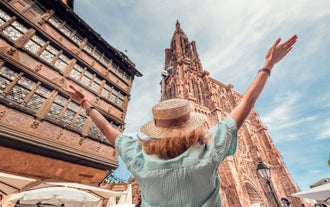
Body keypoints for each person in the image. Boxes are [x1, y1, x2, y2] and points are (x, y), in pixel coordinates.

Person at [64, 35, 297, 207]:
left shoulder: (141, 158)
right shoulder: (209, 150)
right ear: (190, 123)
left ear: (157, 130)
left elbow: (107, 129)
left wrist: (86, 104)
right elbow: (246, 103)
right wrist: (267, 65)